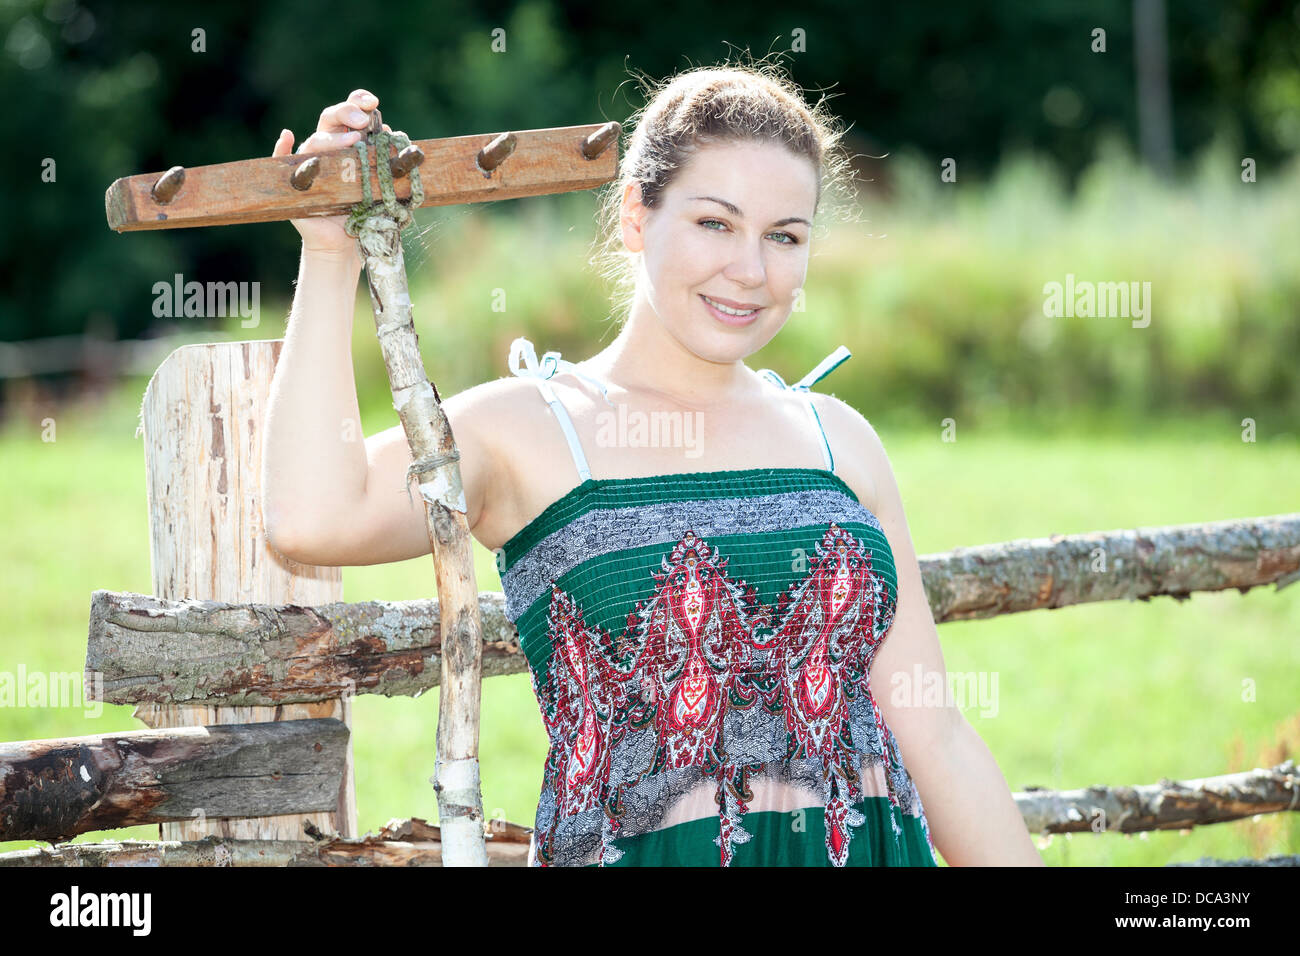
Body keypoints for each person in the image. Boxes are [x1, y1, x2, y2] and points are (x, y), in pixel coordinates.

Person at [262, 60, 1045, 867]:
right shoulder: (531, 429)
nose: (751, 269)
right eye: (715, 223)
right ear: (636, 216)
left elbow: (936, 734)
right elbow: (313, 516)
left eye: (785, 236)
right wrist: (330, 250)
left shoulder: (837, 441)